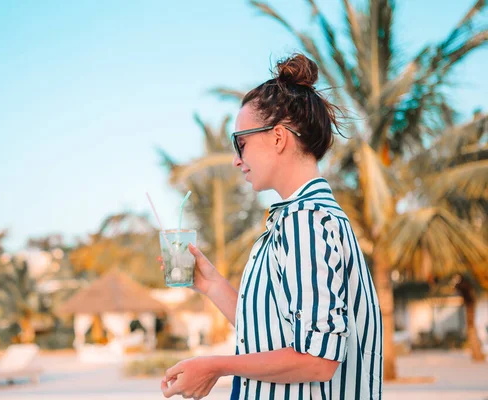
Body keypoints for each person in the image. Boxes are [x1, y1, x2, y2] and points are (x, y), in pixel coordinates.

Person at [159, 53, 383, 399]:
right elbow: (274, 332)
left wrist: (217, 365)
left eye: (241, 142)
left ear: (278, 138)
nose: (237, 159)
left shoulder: (305, 221)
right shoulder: (302, 219)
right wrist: (212, 285)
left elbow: (318, 359)